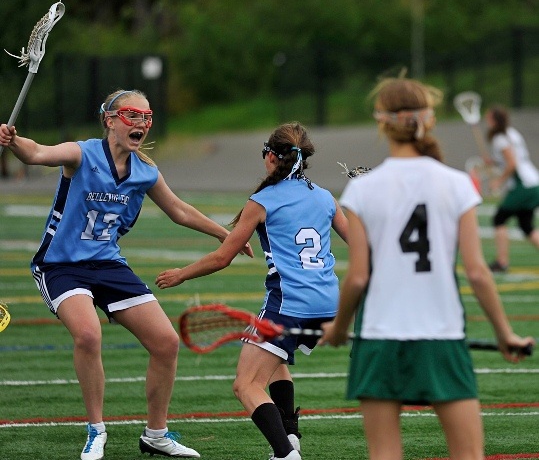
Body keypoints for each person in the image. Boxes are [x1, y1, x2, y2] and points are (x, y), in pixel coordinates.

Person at [0, 88, 253, 460]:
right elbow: (38, 153)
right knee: (88, 333)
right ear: (110, 120)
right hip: (61, 266)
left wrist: (224, 233)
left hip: (107, 264)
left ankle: (156, 434)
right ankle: (96, 430)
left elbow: (179, 211)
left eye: (146, 118)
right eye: (132, 115)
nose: (141, 124)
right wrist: (13, 140)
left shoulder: (144, 172)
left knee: (166, 342)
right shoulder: (81, 154)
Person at [319, 77, 535, 460]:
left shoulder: (362, 189)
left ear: (381, 121)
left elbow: (358, 277)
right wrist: (505, 333)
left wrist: (338, 329)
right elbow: (478, 273)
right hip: (442, 335)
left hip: (379, 337)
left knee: (384, 453)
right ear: (430, 120)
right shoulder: (457, 184)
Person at [156, 122, 348, 460]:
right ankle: (291, 435)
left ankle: (285, 454)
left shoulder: (261, 201)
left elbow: (222, 257)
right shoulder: (324, 196)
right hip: (328, 303)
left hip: (290, 303)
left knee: (245, 384)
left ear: (272, 157)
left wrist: (181, 275)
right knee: (276, 361)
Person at [483, 105, 539, 272]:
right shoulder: (512, 133)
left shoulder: (500, 138)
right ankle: (502, 261)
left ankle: (502, 261)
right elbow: (513, 159)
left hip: (523, 185)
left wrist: (498, 181)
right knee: (526, 225)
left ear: (494, 120)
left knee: (499, 219)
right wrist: (493, 162)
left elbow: (512, 164)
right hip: (533, 181)